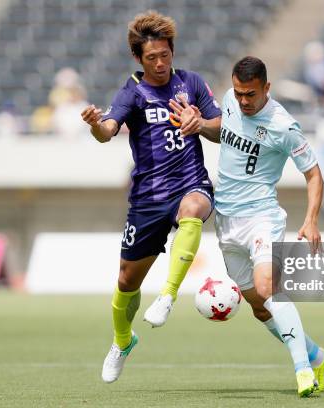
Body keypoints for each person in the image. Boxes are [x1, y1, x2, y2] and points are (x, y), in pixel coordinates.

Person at [172, 56, 324, 397]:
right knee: (259, 308)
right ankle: (317, 355)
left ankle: (303, 370)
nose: (243, 101)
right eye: (239, 93)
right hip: (227, 222)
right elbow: (224, 133)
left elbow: (314, 174)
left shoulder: (284, 126)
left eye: (251, 95)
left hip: (262, 217)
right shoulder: (230, 102)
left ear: (267, 88)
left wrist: (311, 219)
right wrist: (199, 125)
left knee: (267, 286)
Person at [80, 10, 221, 383]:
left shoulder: (191, 83)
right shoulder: (133, 90)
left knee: (194, 207)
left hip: (190, 181)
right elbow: (108, 129)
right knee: (127, 281)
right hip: (148, 197)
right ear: (138, 59)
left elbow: (221, 129)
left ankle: (169, 296)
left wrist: (201, 123)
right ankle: (123, 341)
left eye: (165, 55)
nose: (160, 63)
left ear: (172, 51)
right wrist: (96, 124)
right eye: (151, 58)